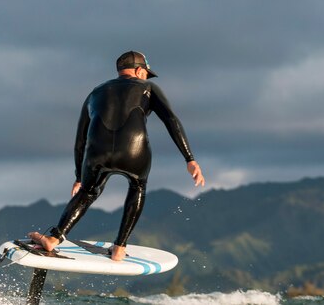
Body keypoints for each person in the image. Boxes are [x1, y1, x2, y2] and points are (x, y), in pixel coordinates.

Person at [29, 51, 205, 261]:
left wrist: (79, 177)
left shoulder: (95, 92)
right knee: (137, 187)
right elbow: (171, 121)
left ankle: (54, 238)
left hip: (96, 153)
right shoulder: (148, 88)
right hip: (134, 151)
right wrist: (189, 159)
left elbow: (80, 139)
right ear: (140, 71)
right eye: (146, 74)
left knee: (87, 192)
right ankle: (120, 247)